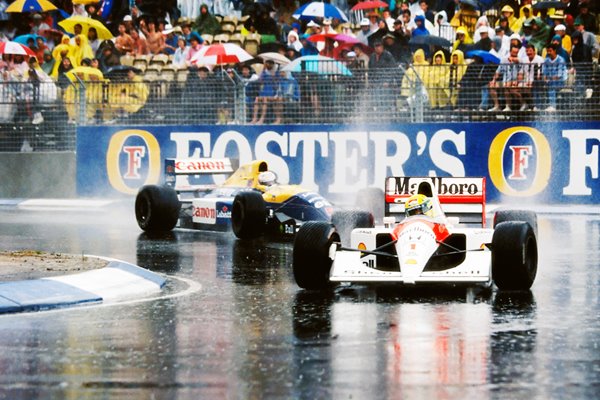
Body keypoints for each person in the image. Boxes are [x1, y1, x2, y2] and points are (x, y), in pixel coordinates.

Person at [542, 43, 567, 111]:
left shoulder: (560, 60)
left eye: (550, 51)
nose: (549, 53)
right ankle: (538, 106)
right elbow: (544, 72)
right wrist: (545, 79)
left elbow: (559, 75)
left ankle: (553, 106)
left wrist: (549, 80)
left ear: (554, 50)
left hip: (560, 81)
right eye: (548, 51)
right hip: (550, 81)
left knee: (552, 85)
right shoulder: (546, 60)